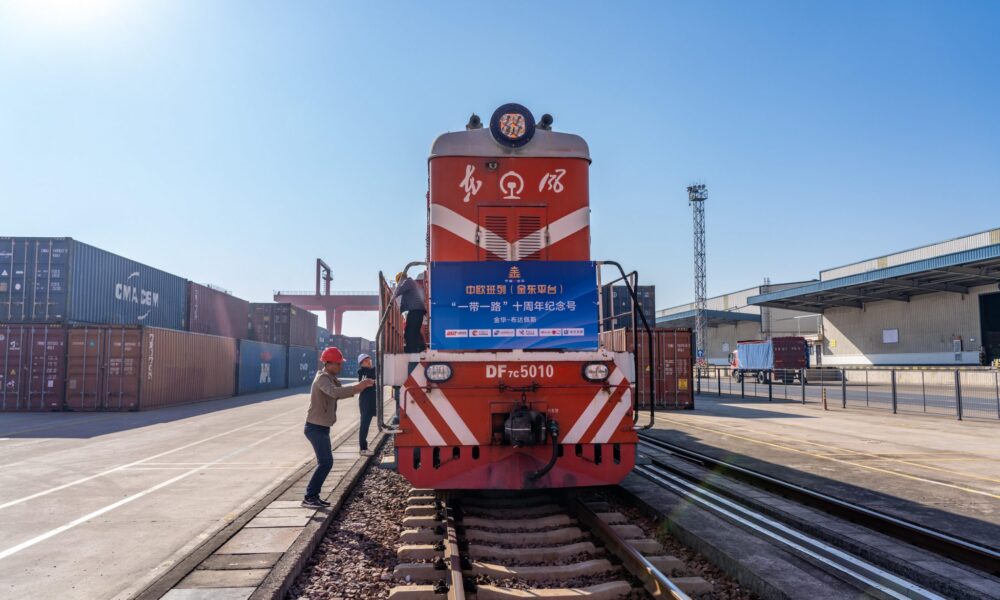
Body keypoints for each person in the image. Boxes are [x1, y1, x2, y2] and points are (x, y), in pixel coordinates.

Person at [302, 346, 375, 508]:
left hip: (321, 427)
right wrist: (359, 387)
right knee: (326, 462)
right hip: (315, 427)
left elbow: (338, 391)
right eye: (338, 364)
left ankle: (313, 496)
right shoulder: (322, 378)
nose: (340, 367)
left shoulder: (329, 377)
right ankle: (309, 497)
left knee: (325, 462)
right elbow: (334, 392)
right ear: (328, 363)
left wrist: (360, 386)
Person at [393, 271, 426, 353]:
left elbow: (397, 292)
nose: (399, 284)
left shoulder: (408, 282)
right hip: (416, 311)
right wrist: (399, 313)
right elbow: (403, 303)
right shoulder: (410, 284)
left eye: (398, 282)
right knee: (415, 330)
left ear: (401, 279)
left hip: (416, 311)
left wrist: (391, 298)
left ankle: (412, 350)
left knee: (409, 332)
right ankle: (420, 348)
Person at [356, 353, 377, 456]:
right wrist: (373, 381)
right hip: (366, 402)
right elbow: (368, 381)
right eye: (366, 360)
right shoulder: (363, 372)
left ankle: (364, 447)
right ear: (362, 363)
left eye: (369, 359)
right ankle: (363, 448)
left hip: (372, 401)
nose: (369, 361)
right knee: (364, 424)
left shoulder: (370, 371)